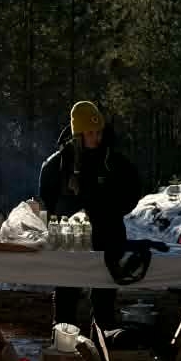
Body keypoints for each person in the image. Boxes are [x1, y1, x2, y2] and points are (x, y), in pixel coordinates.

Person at [38, 99, 142, 331]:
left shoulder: (113, 161)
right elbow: (47, 194)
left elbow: (133, 190)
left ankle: (104, 348)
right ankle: (64, 355)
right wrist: (66, 215)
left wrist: (111, 212)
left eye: (99, 132)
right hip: (70, 239)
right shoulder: (59, 162)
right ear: (78, 134)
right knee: (66, 296)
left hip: (108, 237)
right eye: (90, 133)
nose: (97, 137)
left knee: (104, 299)